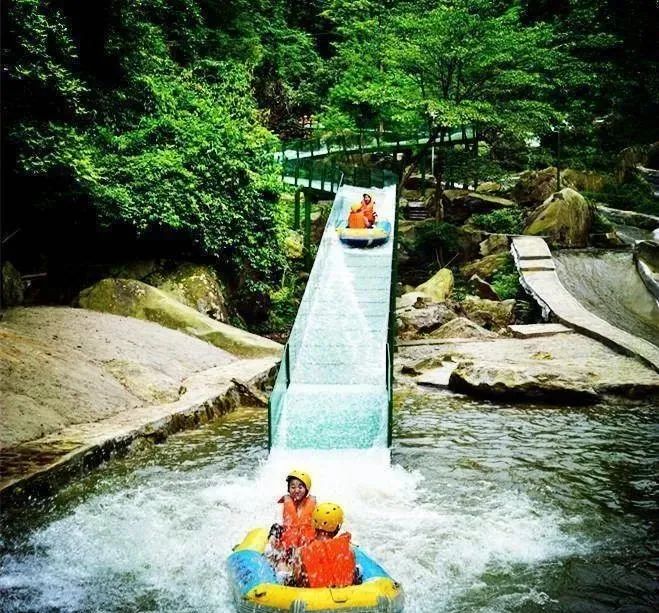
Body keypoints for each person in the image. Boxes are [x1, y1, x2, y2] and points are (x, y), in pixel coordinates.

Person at [266, 470, 316, 583]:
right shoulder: (288, 502)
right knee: (276, 528)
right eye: (292, 487)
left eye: (300, 487)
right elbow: (282, 527)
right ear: (288, 489)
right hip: (288, 545)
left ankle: (295, 578)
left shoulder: (313, 505)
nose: (296, 490)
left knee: (302, 560)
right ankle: (283, 576)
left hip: (304, 546)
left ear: (306, 490)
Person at [292, 502, 357, 588]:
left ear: (314, 524)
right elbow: (352, 576)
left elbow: (296, 581)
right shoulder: (349, 549)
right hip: (344, 594)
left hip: (313, 596)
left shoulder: (300, 552)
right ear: (337, 528)